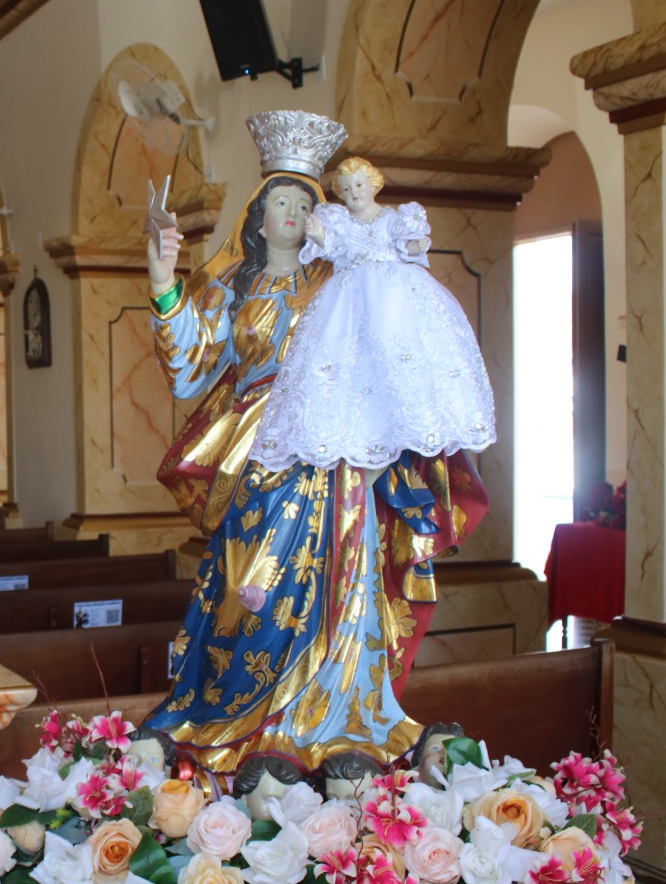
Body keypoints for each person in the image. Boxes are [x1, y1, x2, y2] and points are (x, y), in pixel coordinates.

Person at [139, 110, 488, 782]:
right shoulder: (232, 290)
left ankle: (336, 713)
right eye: (282, 202)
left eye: (307, 202)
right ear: (257, 216)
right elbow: (190, 366)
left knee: (343, 579)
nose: (295, 213)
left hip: (336, 457)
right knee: (250, 585)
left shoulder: (342, 280)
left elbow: (390, 339)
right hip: (257, 460)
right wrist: (163, 284)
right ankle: (239, 713)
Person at [250, 155, 496, 471]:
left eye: (359, 185)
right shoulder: (338, 220)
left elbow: (411, 248)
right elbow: (331, 248)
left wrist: (415, 242)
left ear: (373, 184)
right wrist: (319, 233)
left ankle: (406, 431)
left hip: (395, 301)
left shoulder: (396, 217)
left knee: (400, 362)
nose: (354, 193)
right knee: (345, 365)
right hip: (347, 305)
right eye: (347, 188)